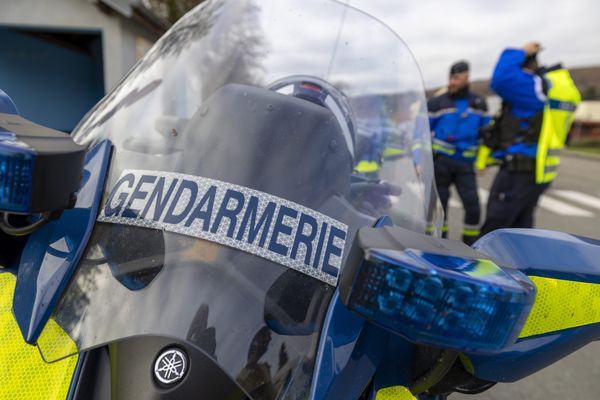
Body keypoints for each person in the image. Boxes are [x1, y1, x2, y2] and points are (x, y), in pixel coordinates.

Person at [477, 42, 581, 234]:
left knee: (495, 230)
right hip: (538, 172)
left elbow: (501, 79)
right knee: (521, 230)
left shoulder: (538, 88)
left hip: (519, 171)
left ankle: (484, 263)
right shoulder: (564, 89)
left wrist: (521, 51)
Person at [427, 61, 490, 244]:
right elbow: (421, 133)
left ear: (467, 78)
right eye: (450, 78)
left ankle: (471, 248)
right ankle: (439, 244)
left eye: (457, 78)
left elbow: (486, 137)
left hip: (465, 165)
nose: (452, 82)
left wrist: (482, 162)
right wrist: (421, 160)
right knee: (440, 208)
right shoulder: (436, 103)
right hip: (441, 163)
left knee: (473, 207)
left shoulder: (479, 103)